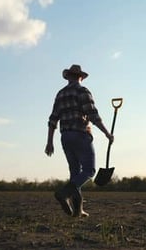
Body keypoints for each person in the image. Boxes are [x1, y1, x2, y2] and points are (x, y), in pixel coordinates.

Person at [45, 64, 114, 217]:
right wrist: (106, 133)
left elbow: (52, 119)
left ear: (68, 77)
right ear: (81, 77)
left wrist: (49, 142)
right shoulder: (82, 91)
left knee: (75, 174)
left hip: (65, 137)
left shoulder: (60, 94)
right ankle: (64, 193)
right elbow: (93, 115)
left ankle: (77, 211)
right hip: (81, 135)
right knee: (89, 171)